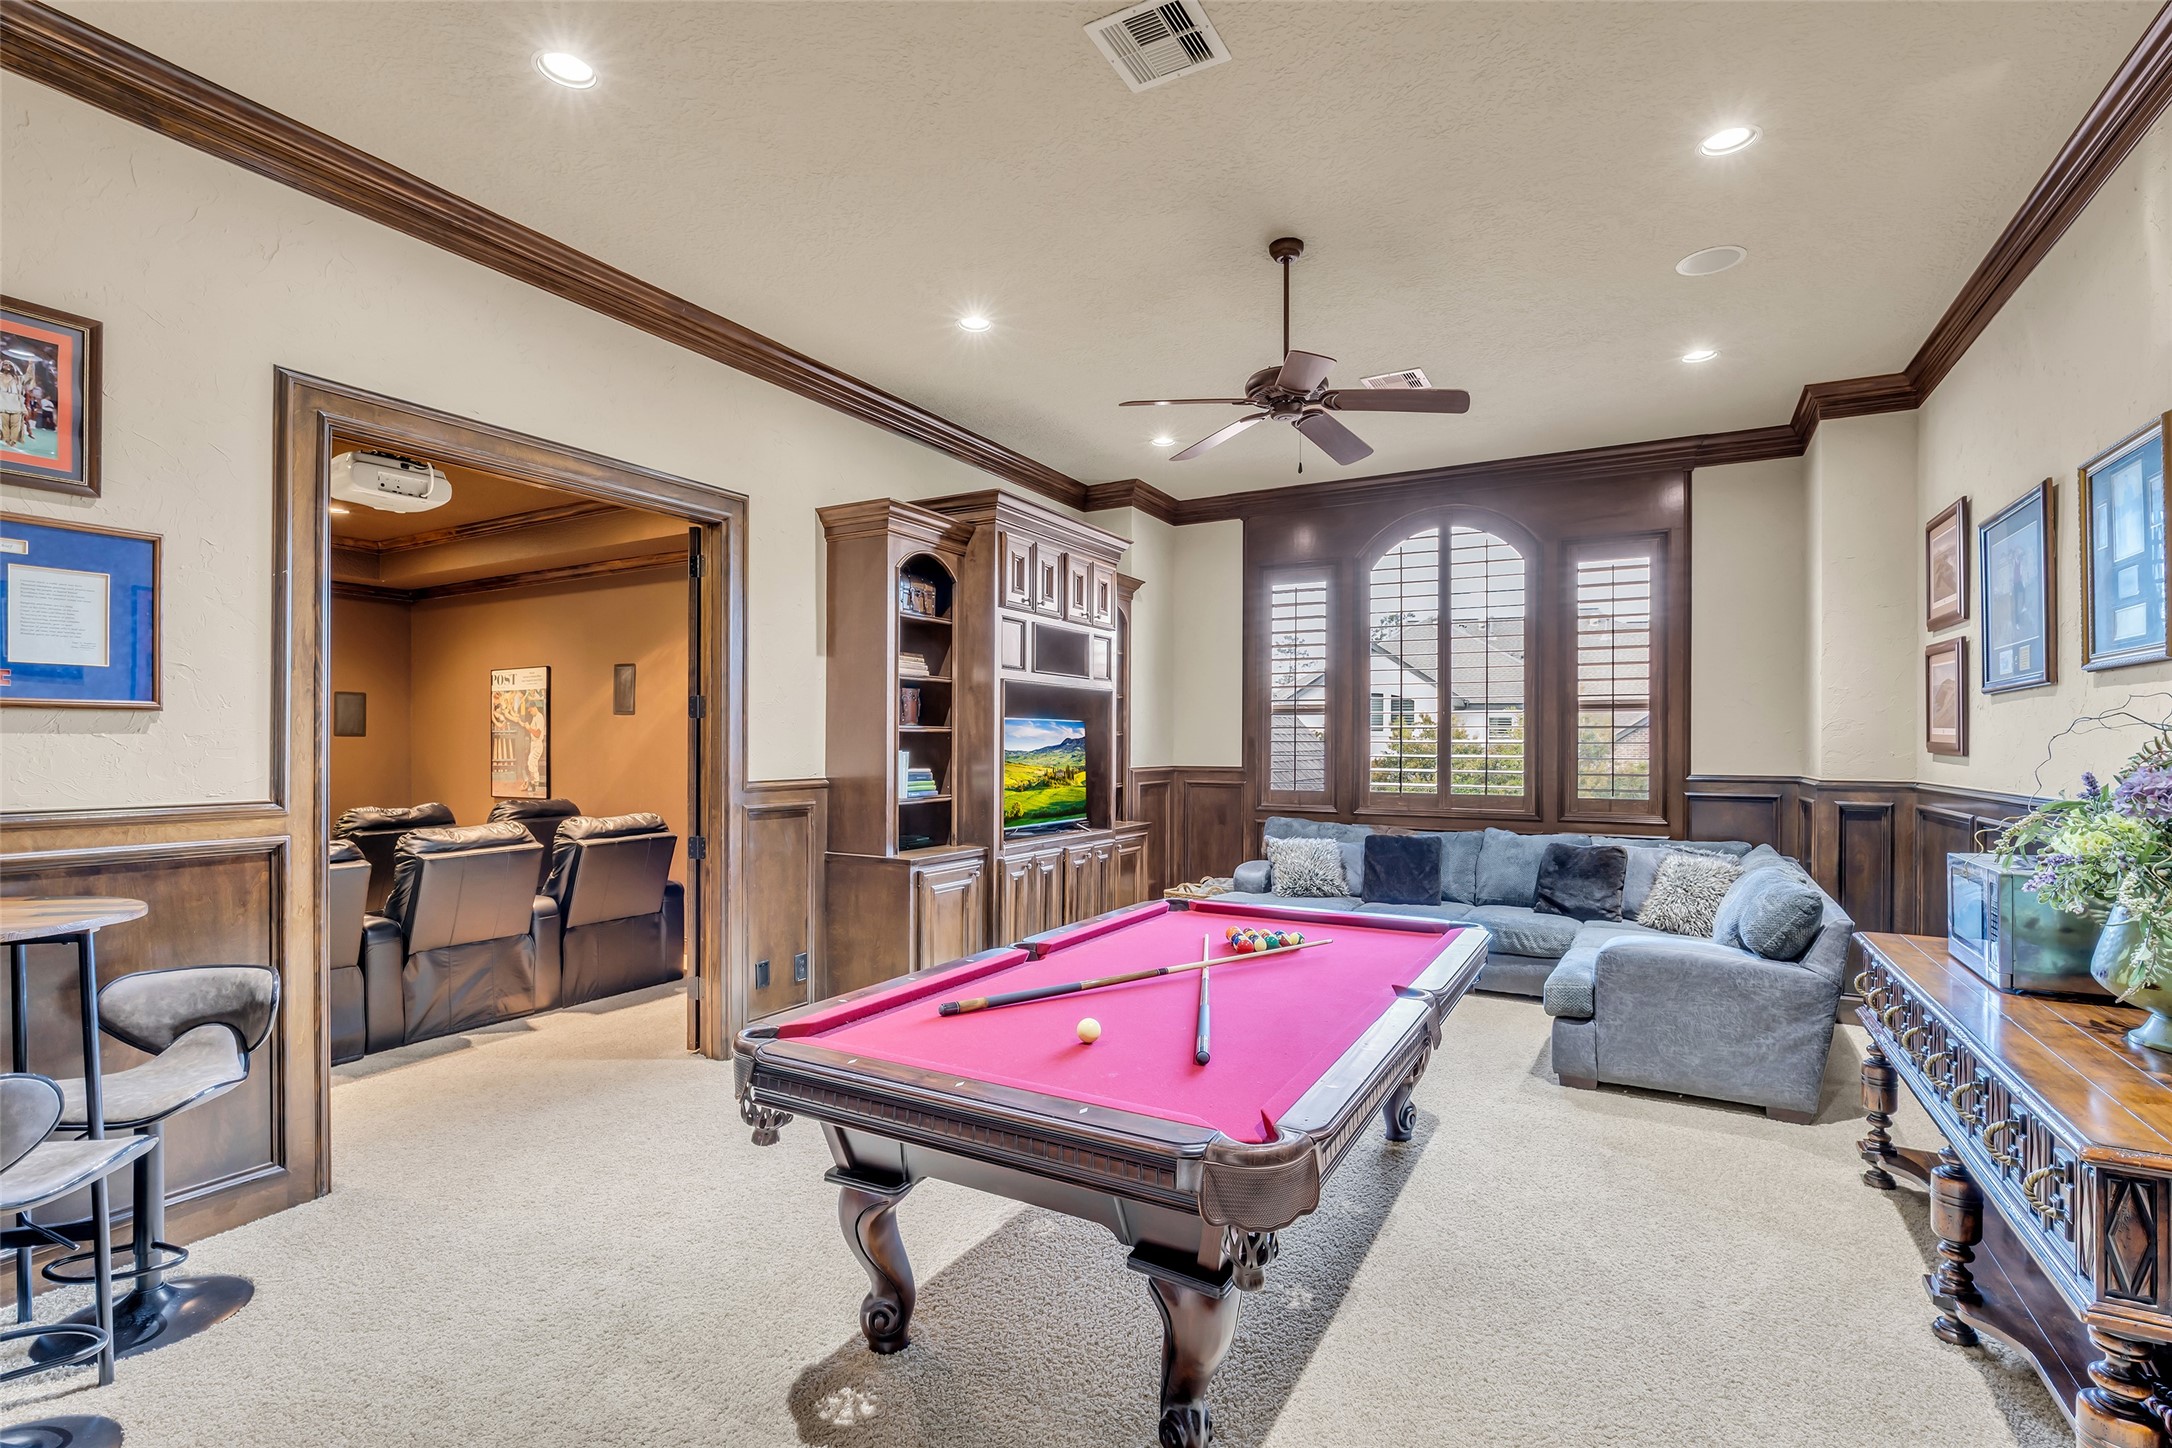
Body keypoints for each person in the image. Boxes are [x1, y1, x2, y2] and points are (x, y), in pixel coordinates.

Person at [0, 360, 25, 448]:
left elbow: (28, 378)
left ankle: (13, 441)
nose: (7, 366)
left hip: (16, 404)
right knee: (5, 424)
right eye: (5, 364)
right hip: (3, 404)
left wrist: (31, 365)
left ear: (12, 367)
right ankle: (7, 440)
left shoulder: (17, 378)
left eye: (9, 365)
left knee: (15, 425)